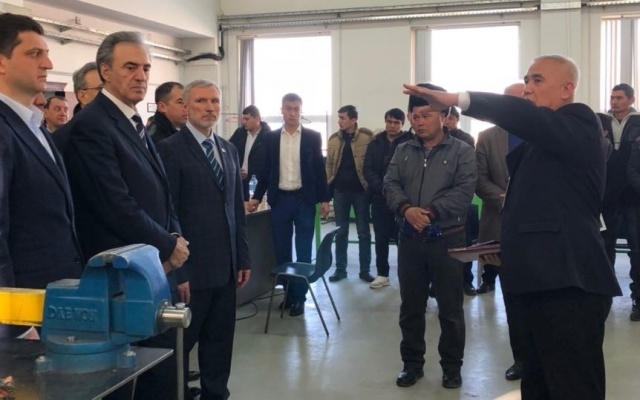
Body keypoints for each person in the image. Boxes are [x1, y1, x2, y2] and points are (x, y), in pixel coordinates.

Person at [403, 54, 622, 400]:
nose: (528, 89)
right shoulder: (538, 145)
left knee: (573, 386)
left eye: (537, 80)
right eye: (527, 80)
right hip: (534, 278)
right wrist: (506, 248)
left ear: (567, 89)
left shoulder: (581, 121)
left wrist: (458, 99)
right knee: (536, 384)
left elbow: (524, 117)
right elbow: (538, 210)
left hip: (569, 283)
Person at [63, 31, 190, 400]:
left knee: (160, 375)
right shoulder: (93, 126)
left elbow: (161, 193)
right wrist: (168, 244)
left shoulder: (135, 122)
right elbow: (115, 205)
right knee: (128, 382)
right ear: (105, 71)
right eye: (130, 67)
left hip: (153, 268)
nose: (141, 76)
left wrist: (174, 239)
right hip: (121, 278)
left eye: (146, 68)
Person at [157, 79, 250, 400]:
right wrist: (178, 270)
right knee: (182, 346)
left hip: (226, 270)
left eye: (214, 101)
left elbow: (236, 210)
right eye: (201, 101)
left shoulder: (228, 149)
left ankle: (215, 395)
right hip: (191, 273)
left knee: (220, 344)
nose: (209, 108)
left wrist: (243, 257)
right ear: (185, 106)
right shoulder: (169, 150)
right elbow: (168, 214)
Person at [384, 83, 477, 390]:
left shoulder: (462, 151)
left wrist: (431, 213)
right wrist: (406, 209)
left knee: (450, 310)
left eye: (426, 115)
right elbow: (390, 184)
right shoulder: (403, 150)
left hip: (447, 241)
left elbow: (464, 191)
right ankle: (412, 364)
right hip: (410, 240)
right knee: (411, 308)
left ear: (443, 116)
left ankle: (451, 367)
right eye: (415, 116)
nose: (420, 122)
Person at [0, 13, 83, 338]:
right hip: (25, 314)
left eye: (46, 53)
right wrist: (14, 323)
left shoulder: (33, 126)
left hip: (54, 298)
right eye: (34, 54)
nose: (48, 64)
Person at [247, 93, 330, 317]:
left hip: (304, 200)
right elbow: (266, 171)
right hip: (280, 200)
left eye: (296, 109)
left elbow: (319, 170)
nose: (292, 113)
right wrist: (256, 197)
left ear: (301, 111)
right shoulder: (272, 138)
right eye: (288, 108)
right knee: (281, 250)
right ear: (282, 110)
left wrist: (325, 199)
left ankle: (300, 298)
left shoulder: (312, 137)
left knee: (303, 250)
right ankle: (288, 294)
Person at [474, 83, 527, 381]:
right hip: (502, 224)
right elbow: (479, 179)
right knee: (513, 298)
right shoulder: (487, 137)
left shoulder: (543, 134)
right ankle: (522, 359)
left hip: (541, 231)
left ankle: (545, 355)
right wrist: (506, 198)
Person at [600, 84, 640, 320]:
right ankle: (604, 297)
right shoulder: (601, 121)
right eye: (612, 97)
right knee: (605, 249)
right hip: (607, 196)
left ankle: (638, 299)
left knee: (637, 250)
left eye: (619, 98)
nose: (614, 102)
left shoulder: (639, 122)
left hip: (634, 197)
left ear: (631, 100)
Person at [363, 108, 412, 289]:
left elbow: (410, 171)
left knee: (403, 238)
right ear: (385, 122)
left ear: (402, 124)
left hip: (402, 200)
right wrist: (382, 188)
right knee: (381, 238)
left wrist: (395, 191)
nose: (392, 126)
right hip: (379, 198)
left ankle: (406, 274)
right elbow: (368, 169)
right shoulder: (375, 143)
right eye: (389, 122)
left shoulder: (410, 142)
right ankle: (382, 274)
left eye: (396, 122)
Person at [325, 105, 373, 283]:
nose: (339, 121)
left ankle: (365, 271)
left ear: (353, 120)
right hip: (340, 192)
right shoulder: (333, 139)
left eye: (343, 118)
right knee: (341, 232)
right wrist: (327, 191)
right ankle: (340, 270)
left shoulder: (367, 137)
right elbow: (329, 166)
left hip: (361, 192)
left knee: (363, 232)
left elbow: (372, 163)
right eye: (338, 118)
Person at [52, 62, 103, 152]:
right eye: (101, 89)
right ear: (82, 96)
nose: (110, 95)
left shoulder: (122, 128)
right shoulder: (64, 139)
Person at [229, 105, 271, 200]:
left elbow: (270, 162)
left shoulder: (268, 136)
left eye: (247, 119)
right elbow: (227, 153)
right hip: (239, 182)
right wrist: (235, 170)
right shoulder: (239, 133)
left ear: (257, 119)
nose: (243, 122)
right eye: (243, 119)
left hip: (258, 184)